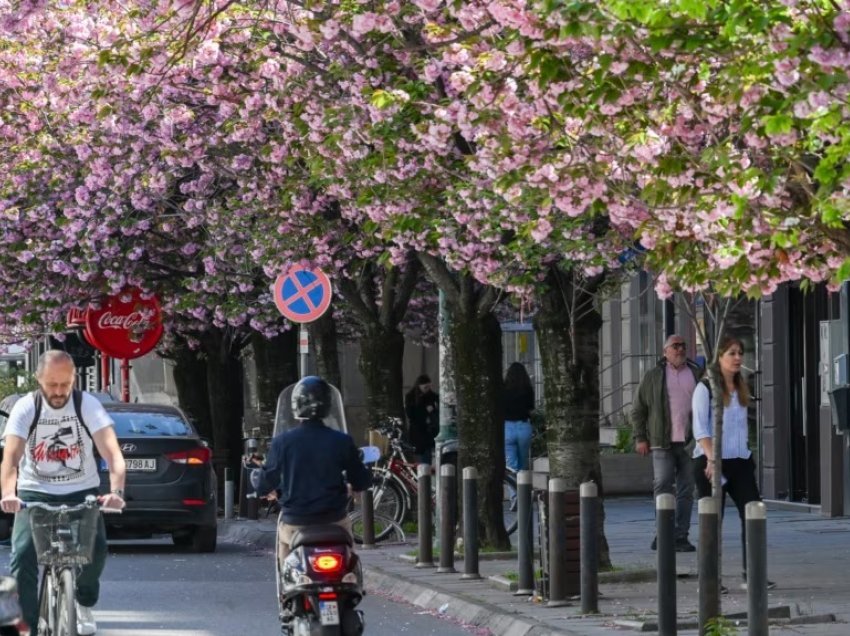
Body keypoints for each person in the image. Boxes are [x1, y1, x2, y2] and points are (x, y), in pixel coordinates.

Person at [0, 350, 126, 636]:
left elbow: (112, 452)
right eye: (51, 385)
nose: (58, 392)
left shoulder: (87, 405)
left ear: (73, 379)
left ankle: (83, 599)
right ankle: (27, 627)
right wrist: (9, 493)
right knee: (23, 556)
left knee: (96, 549)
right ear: (38, 379)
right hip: (35, 493)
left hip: (82, 491)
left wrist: (117, 490)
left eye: (65, 385)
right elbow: (11, 457)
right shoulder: (25, 407)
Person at [255, 376, 371, 569]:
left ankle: (286, 590)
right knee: (350, 558)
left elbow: (267, 479)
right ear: (328, 405)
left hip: (295, 521)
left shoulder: (282, 442)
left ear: (295, 406)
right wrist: (357, 483)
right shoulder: (342, 441)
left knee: (285, 559)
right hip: (334, 520)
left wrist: (263, 488)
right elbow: (360, 479)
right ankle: (351, 580)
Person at [692, 335, 775, 590]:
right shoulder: (705, 388)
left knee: (753, 513)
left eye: (740, 352)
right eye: (732, 353)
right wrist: (712, 459)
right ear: (719, 358)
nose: (738, 358)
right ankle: (710, 579)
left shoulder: (741, 387)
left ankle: (753, 574)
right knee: (712, 520)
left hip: (740, 461)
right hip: (711, 462)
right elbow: (701, 430)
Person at [632, 334, 702, 552]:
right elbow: (638, 409)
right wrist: (640, 437)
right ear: (665, 352)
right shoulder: (652, 376)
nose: (680, 349)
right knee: (662, 484)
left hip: (690, 442)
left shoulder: (697, 374)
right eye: (675, 346)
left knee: (686, 490)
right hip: (662, 442)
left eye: (683, 345)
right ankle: (663, 533)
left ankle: (681, 535)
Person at [502, 362, 535, 473]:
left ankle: (514, 489)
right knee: (522, 463)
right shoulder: (527, 389)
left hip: (507, 427)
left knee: (511, 465)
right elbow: (531, 407)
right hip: (523, 426)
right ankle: (523, 488)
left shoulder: (503, 389)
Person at [404, 374, 439, 465]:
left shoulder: (433, 396)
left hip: (431, 430)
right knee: (424, 457)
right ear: (419, 386)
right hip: (419, 432)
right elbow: (411, 415)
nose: (427, 389)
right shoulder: (411, 397)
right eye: (425, 387)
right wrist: (426, 411)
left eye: (429, 387)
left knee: (430, 456)